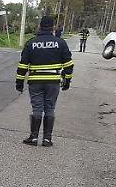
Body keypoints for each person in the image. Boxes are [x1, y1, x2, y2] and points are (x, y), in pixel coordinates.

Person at [16, 15, 73, 147]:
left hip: (35, 81)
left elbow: (23, 65)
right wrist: (67, 80)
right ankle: (47, 139)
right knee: (50, 108)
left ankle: (34, 137)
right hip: (53, 81)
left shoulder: (31, 43)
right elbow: (69, 64)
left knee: (37, 108)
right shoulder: (60, 43)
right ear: (53, 27)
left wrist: (19, 82)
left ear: (40, 26)